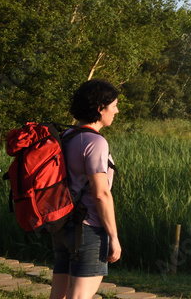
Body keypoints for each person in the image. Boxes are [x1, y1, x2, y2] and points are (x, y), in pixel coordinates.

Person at [49, 79, 122, 299]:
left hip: (61, 226)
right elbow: (101, 194)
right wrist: (114, 238)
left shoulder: (66, 136)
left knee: (58, 295)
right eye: (114, 105)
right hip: (88, 229)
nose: (116, 111)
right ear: (100, 108)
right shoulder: (95, 142)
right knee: (80, 296)